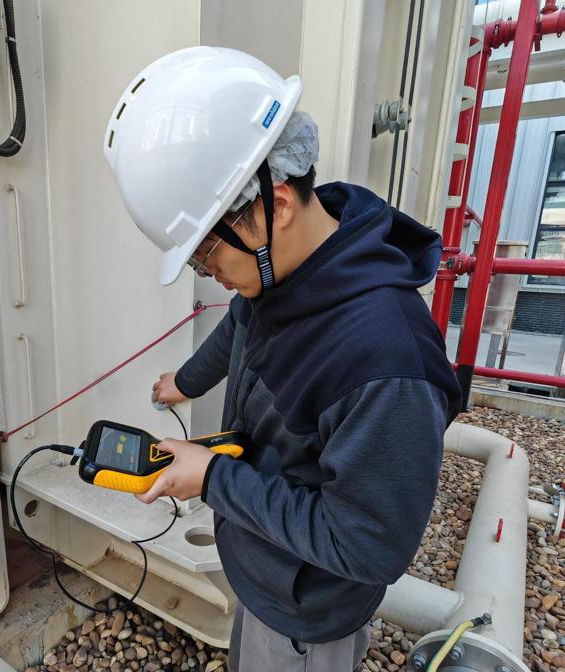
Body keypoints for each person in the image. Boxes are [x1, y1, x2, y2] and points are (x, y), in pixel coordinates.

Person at [104, 45, 462, 672]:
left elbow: (369, 547)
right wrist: (184, 385)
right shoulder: (282, 275)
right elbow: (237, 329)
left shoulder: (385, 360)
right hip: (265, 569)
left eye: (206, 253)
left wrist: (213, 480)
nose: (208, 273)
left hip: (307, 616)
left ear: (277, 204)